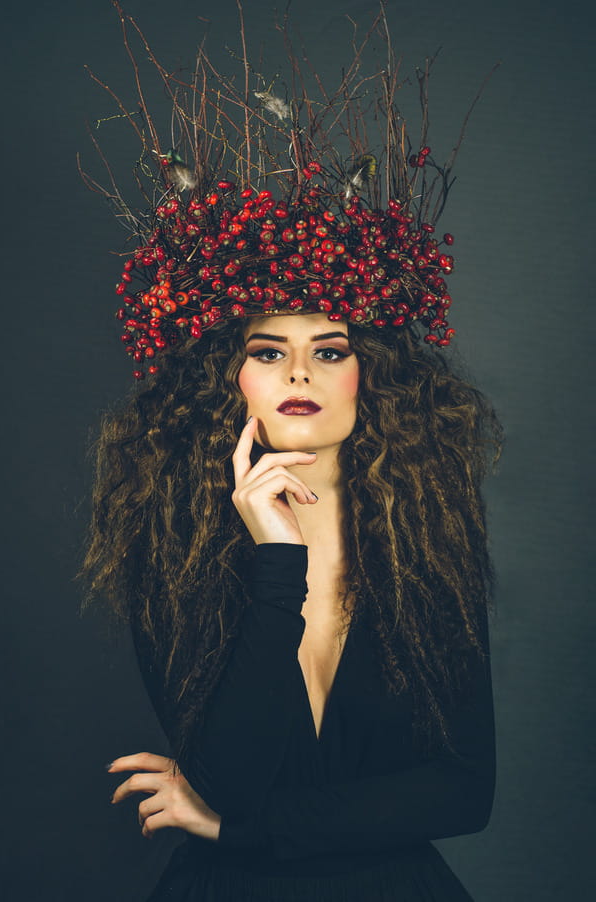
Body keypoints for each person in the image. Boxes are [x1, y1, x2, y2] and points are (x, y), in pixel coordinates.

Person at [79, 9, 503, 897]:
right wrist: (277, 557)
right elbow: (230, 771)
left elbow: (463, 791)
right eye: (267, 351)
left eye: (332, 349)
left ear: (369, 376)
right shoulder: (175, 543)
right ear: (227, 377)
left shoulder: (430, 541)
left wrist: (242, 827)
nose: (300, 370)